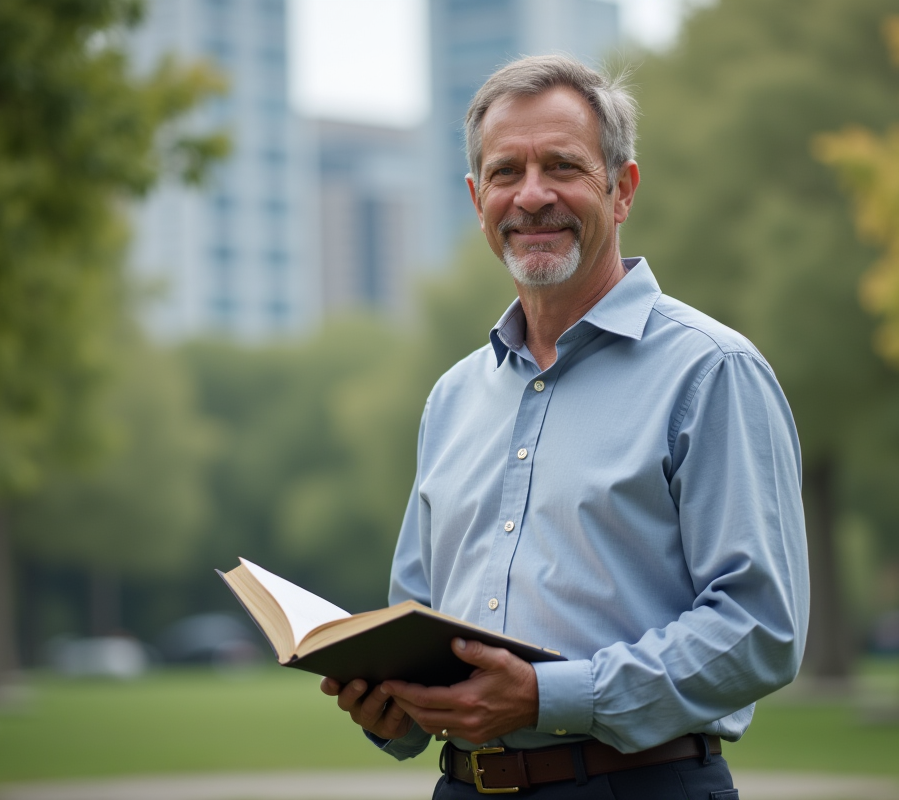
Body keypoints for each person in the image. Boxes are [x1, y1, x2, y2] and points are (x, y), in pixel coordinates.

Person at [320, 55, 809, 798]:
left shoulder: (710, 372)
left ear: (622, 190)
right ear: (476, 196)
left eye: (562, 166)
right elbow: (417, 618)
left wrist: (552, 696)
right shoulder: (453, 398)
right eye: (506, 171)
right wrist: (393, 709)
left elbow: (760, 629)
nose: (532, 195)